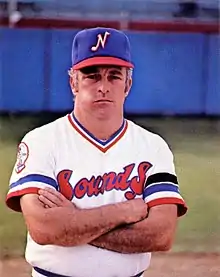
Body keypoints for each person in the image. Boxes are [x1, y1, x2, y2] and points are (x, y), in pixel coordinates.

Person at [5, 27, 188, 277]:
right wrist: (123, 212)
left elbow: (161, 235)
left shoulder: (153, 146)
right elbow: (44, 229)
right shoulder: (41, 141)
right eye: (92, 75)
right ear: (73, 82)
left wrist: (73, 224)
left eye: (114, 76)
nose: (103, 87)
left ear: (128, 84)